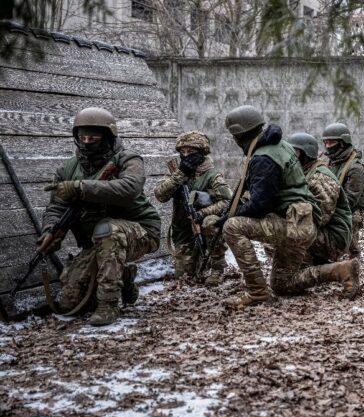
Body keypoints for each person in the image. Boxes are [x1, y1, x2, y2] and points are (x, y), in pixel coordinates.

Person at [40, 107, 161, 326]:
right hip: (98, 243)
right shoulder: (68, 168)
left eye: (93, 137)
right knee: (69, 302)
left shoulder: (129, 159)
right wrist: (50, 230)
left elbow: (129, 188)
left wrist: (81, 188)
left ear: (107, 136)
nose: (87, 142)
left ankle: (109, 304)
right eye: (82, 137)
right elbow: (56, 207)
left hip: (141, 232)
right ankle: (123, 275)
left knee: (108, 230)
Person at [214, 105, 321, 308]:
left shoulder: (263, 157)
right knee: (283, 284)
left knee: (232, 227)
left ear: (239, 134)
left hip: (292, 225)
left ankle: (257, 292)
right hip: (302, 224)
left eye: (234, 136)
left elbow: (260, 205)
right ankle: (341, 270)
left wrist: (229, 217)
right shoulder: (280, 145)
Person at [282, 132, 360, 298]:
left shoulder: (319, 177)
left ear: (305, 153)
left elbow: (320, 217)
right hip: (322, 232)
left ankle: (335, 269)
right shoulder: (305, 172)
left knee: (283, 232)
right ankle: (307, 267)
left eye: (294, 152)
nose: (290, 157)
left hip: (334, 238)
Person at [153, 131, 231, 286]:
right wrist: (181, 174)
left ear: (202, 153)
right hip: (183, 230)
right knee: (183, 276)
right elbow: (160, 195)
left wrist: (202, 213)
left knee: (211, 222)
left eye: (191, 152)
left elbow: (227, 202)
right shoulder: (177, 172)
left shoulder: (212, 175)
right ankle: (197, 261)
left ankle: (217, 268)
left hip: (205, 228)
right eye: (183, 152)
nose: (186, 155)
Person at [321, 123, 364, 258]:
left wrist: (330, 210)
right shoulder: (331, 162)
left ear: (343, 143)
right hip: (334, 206)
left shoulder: (356, 169)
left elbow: (351, 200)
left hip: (353, 211)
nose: (327, 146)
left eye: (331, 143)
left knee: (349, 245)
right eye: (325, 142)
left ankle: (353, 264)